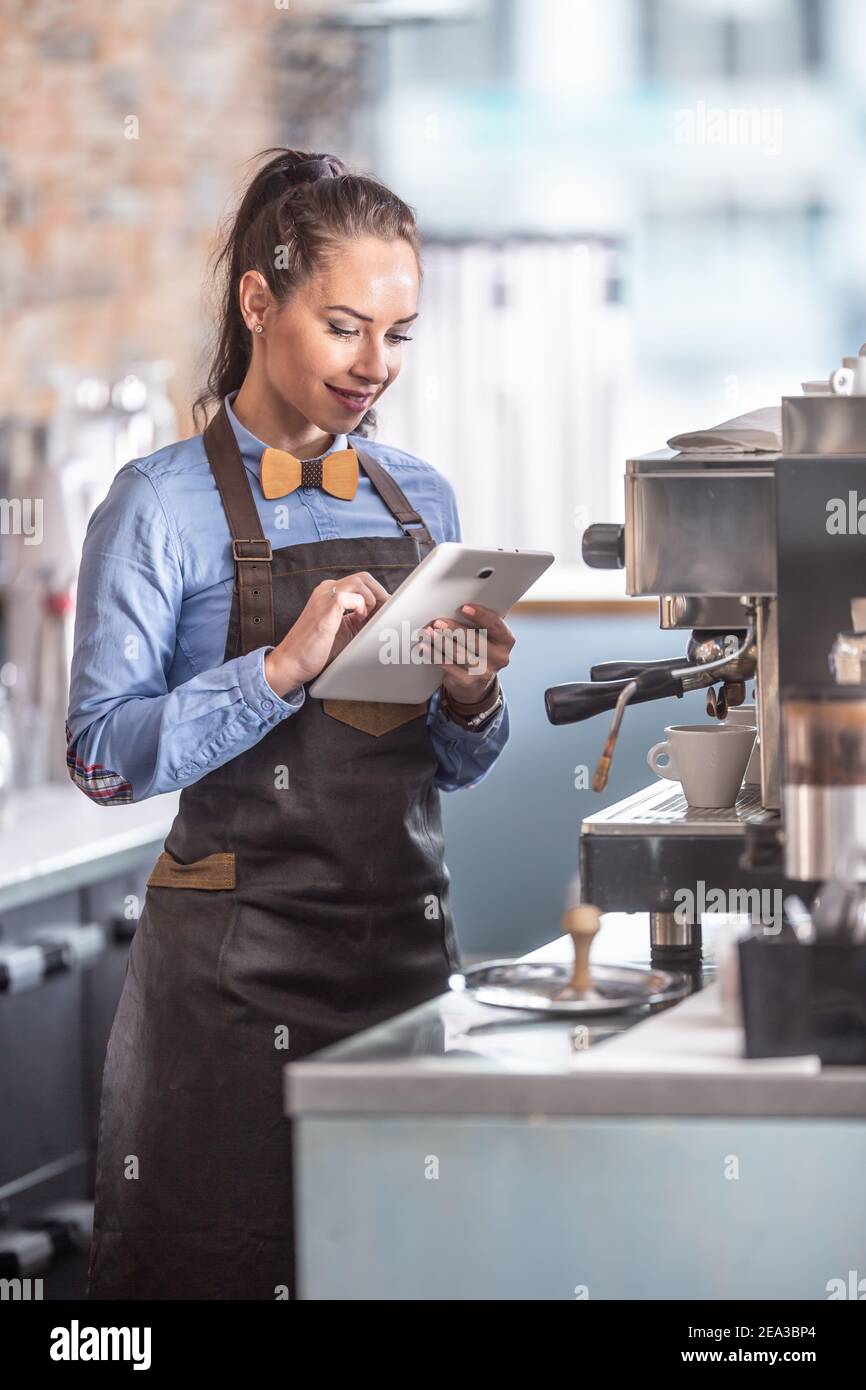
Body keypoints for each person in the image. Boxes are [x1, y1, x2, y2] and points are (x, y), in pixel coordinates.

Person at [66, 148, 513, 1299]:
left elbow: (448, 766)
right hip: (232, 988)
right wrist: (274, 669)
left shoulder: (423, 497)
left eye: (399, 335)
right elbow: (100, 756)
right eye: (345, 326)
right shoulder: (155, 504)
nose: (376, 367)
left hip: (405, 966)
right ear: (258, 301)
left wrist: (469, 698)